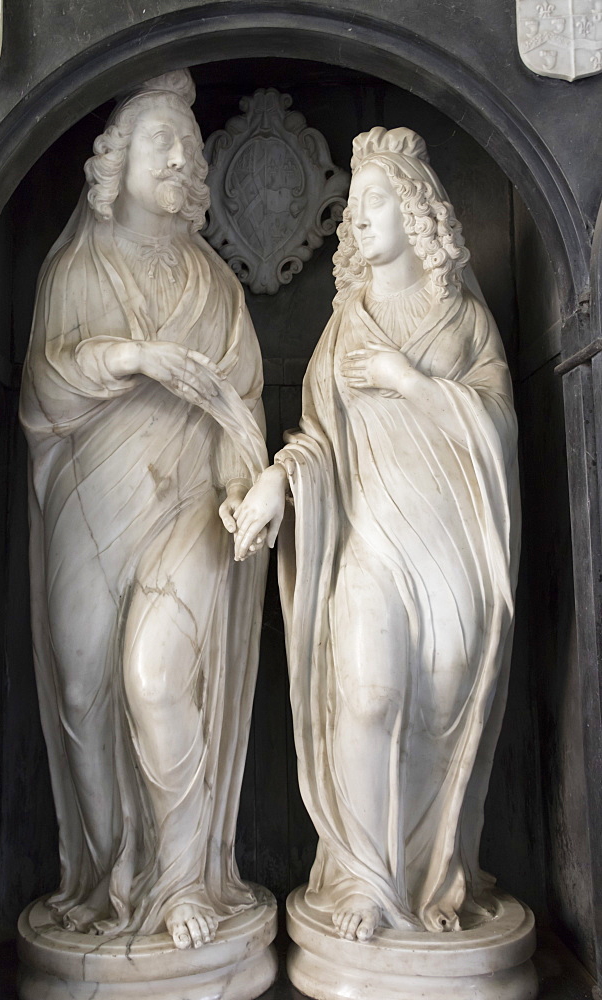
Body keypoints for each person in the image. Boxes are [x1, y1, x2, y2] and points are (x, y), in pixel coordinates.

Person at [234, 126, 520, 942]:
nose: (359, 219)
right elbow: (317, 440)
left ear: (419, 212)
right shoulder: (343, 326)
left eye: (376, 201)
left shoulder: (463, 322)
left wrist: (409, 382)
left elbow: (497, 431)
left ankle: (426, 873)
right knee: (367, 697)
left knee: (436, 700)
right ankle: (363, 878)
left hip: (450, 547)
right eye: (354, 206)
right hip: (369, 541)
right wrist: (274, 484)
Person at [19, 69, 269, 950]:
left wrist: (248, 492)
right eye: (161, 140)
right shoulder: (75, 268)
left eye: (190, 145)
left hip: (191, 510)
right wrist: (131, 358)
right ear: (113, 162)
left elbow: (242, 410)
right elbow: (43, 389)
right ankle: (106, 877)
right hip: (91, 504)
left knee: (157, 680)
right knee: (84, 687)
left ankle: (180, 883)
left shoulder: (217, 288)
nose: (181, 155)